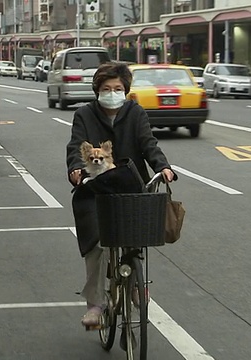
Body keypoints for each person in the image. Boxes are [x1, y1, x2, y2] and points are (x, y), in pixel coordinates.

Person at [66, 62, 176, 327]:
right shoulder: (84, 115)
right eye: (106, 88)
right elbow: (74, 147)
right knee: (95, 243)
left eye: (118, 88)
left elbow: (149, 143)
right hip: (94, 190)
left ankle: (137, 283)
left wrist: (163, 167)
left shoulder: (135, 112)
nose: (112, 92)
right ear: (97, 90)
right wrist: (76, 169)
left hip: (129, 185)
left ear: (125, 90)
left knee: (137, 230)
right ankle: (95, 305)